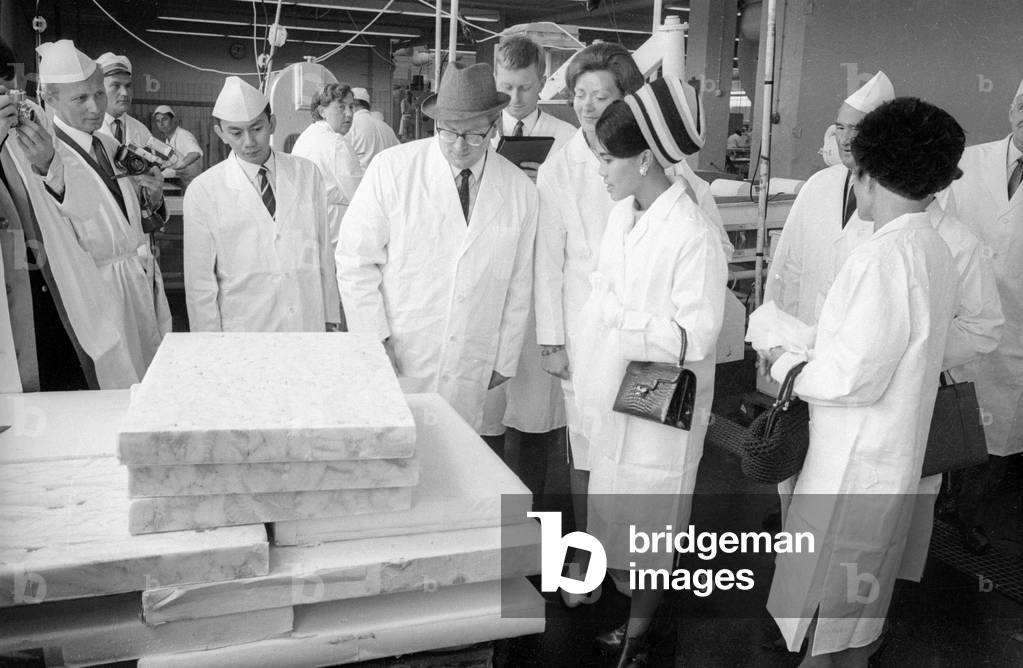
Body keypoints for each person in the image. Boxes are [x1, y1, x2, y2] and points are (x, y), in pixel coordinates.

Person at [761, 97, 963, 667]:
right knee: (858, 604)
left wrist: (782, 358)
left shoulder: (882, 256)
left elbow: (852, 377)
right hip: (886, 457)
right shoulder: (933, 247)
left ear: (866, 174)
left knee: (829, 610)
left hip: (853, 461)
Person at [534, 44, 729, 604]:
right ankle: (596, 563)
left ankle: (637, 599)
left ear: (631, 108)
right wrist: (555, 338)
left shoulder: (679, 190)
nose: (590, 107)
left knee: (642, 474)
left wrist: (624, 325)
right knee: (593, 452)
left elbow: (697, 308)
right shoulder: (571, 167)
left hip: (648, 357)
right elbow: (550, 258)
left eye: (603, 97)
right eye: (581, 96)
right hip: (592, 337)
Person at [572, 76, 726, 668]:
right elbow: (604, 288)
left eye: (608, 160)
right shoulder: (624, 214)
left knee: (652, 517)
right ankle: (632, 614)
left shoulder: (692, 233)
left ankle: (642, 634)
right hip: (618, 385)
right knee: (617, 501)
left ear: (643, 160)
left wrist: (621, 319)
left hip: (660, 391)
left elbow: (696, 335)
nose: (601, 171)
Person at [337, 62, 536, 439]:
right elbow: (354, 261)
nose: (460, 146)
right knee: (398, 451)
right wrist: (374, 340)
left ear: (494, 128)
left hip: (473, 356)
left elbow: (519, 284)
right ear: (434, 124)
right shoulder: (392, 169)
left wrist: (505, 358)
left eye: (474, 135)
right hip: (403, 347)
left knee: (461, 460)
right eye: (448, 133)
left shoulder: (519, 190)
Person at [24, 40, 170, 382]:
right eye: (80, 98)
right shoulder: (43, 153)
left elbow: (132, 216)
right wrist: (48, 166)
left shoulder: (108, 144)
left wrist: (152, 193)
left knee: (150, 372)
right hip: (99, 288)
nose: (95, 108)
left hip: (138, 274)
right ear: (50, 99)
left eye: (97, 94)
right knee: (115, 380)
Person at [479, 33, 577, 502]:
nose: (514, 99)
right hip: (490, 286)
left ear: (542, 82)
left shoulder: (568, 141)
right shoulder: (477, 134)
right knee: (485, 410)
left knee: (535, 415)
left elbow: (580, 216)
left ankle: (535, 518)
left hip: (540, 290)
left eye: (524, 88)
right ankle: (489, 510)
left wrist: (543, 189)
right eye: (506, 87)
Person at [184, 76, 339, 332]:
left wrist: (330, 315)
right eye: (236, 132)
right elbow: (200, 283)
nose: (249, 141)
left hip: (306, 317)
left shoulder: (306, 173)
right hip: (247, 324)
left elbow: (323, 250)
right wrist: (208, 343)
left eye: (257, 128)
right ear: (220, 133)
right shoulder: (203, 191)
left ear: (272, 123)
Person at [940, 75, 1023, 554]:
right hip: (961, 315)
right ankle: (936, 507)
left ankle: (969, 516)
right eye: (1022, 104)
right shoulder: (970, 161)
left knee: (1000, 437)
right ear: (1011, 108)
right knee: (947, 419)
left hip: (1015, 328)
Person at [765, 71, 894, 326]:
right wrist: (777, 330)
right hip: (803, 335)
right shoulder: (819, 184)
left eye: (857, 128)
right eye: (839, 128)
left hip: (856, 342)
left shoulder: (897, 194)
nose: (845, 140)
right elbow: (788, 264)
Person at [291, 83, 363, 324]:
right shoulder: (336, 143)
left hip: (308, 230)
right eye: (341, 107)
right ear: (322, 110)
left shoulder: (305, 137)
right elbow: (360, 195)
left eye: (351, 107)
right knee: (340, 299)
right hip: (335, 231)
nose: (349, 114)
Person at [95, 52, 152, 148]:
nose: (125, 93)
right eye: (116, 86)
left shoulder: (142, 131)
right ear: (100, 89)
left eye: (128, 86)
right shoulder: (89, 129)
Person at [347, 87, 399, 171]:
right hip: (386, 179)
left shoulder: (350, 125)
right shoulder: (386, 127)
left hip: (362, 181)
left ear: (354, 103)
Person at [152, 105, 203, 190]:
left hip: (194, 184)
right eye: (158, 121)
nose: (161, 124)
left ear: (173, 120)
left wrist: (178, 166)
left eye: (164, 119)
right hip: (182, 183)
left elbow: (195, 153)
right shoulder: (168, 140)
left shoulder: (183, 135)